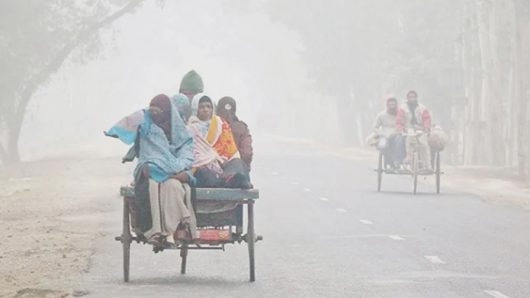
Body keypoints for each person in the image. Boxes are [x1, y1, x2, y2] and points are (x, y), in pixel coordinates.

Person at [106, 94, 198, 245]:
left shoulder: (179, 130)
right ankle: (155, 232)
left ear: (167, 111)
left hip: (174, 173)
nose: (154, 115)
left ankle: (170, 231)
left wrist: (176, 167)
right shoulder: (146, 125)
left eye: (158, 112)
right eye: (152, 112)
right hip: (151, 169)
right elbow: (131, 127)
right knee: (152, 187)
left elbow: (186, 152)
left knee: (173, 187)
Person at [188, 94, 251, 189]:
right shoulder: (189, 129)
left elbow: (230, 151)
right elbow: (190, 154)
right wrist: (208, 160)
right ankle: (225, 181)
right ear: (195, 109)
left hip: (221, 166)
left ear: (213, 108)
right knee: (206, 174)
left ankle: (228, 179)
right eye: (201, 107)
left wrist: (220, 160)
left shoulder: (221, 124)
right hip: (200, 168)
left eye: (208, 106)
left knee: (237, 162)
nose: (205, 109)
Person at [397, 90, 433, 172]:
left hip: (420, 129)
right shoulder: (402, 108)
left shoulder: (422, 108)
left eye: (413, 97)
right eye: (410, 97)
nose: (412, 99)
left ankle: (427, 165)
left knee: (424, 144)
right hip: (408, 129)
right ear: (407, 98)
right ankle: (408, 162)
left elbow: (427, 119)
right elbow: (399, 120)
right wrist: (401, 129)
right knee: (408, 142)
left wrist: (427, 128)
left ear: (416, 98)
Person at [216, 96, 253, 172]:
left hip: (215, 171)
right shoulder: (242, 128)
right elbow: (247, 153)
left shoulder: (212, 126)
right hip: (238, 173)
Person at [373, 97, 406, 170]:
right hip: (385, 135)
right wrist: (381, 133)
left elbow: (405, 124)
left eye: (393, 104)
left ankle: (397, 161)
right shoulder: (381, 115)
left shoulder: (400, 114)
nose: (392, 105)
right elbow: (375, 127)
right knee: (382, 145)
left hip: (397, 134)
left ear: (396, 104)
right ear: (387, 105)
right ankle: (388, 161)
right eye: (390, 104)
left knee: (401, 140)